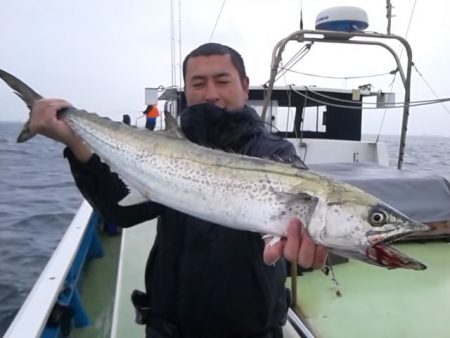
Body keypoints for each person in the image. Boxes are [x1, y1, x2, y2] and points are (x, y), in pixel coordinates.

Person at [28, 43, 327, 337]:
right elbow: (121, 210)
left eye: (222, 81)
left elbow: (301, 207)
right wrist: (75, 142)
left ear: (245, 86)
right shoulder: (163, 150)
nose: (211, 93)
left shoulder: (275, 154)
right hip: (169, 327)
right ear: (186, 91)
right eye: (198, 83)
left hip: (251, 329)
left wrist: (302, 242)